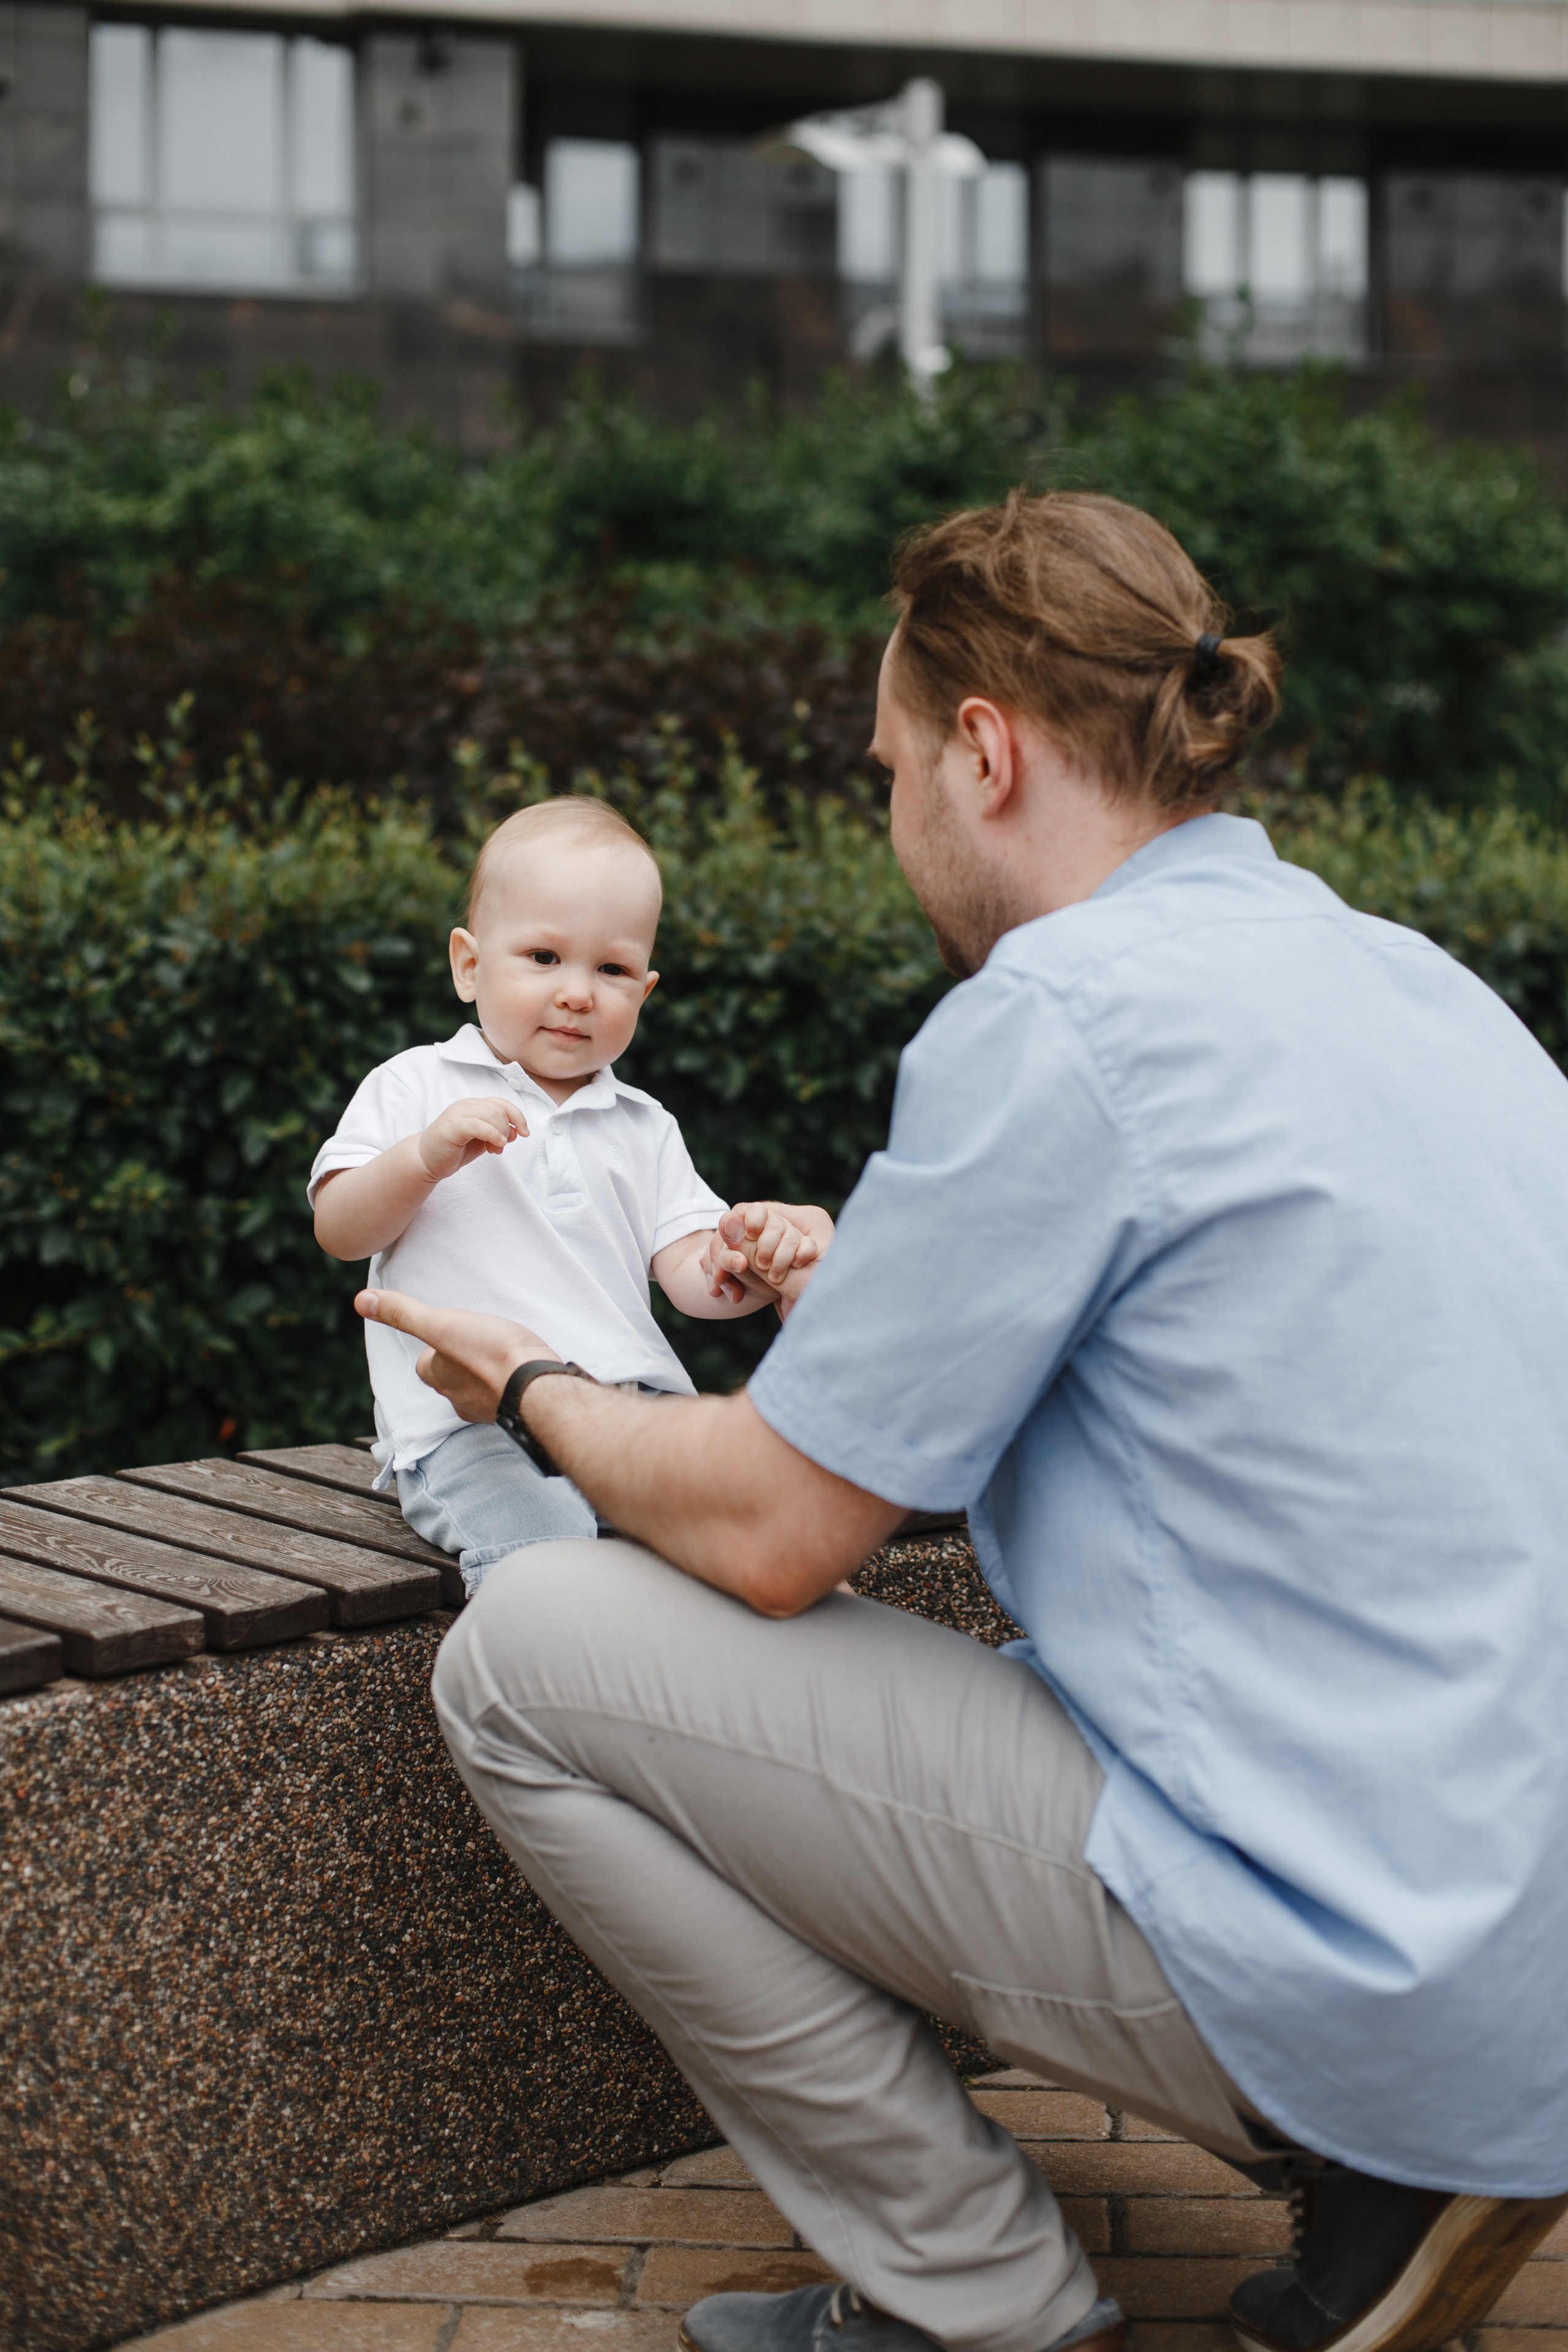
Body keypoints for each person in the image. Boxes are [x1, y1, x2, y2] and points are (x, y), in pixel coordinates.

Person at [355, 491, 1568, 2352]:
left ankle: (977, 2303)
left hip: (1359, 1953)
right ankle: (1384, 2176)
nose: (892, 816)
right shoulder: (1422, 987)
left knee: (521, 1653)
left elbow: (772, 1531)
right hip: (1515, 1906)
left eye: (889, 770)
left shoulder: (1063, 1015)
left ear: (982, 753)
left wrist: (530, 1383)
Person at [311, 794, 829, 1594]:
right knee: (548, 1557)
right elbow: (341, 1229)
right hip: (471, 1423)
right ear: (469, 966)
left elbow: (691, 1277)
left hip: (632, 1413)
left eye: (611, 970)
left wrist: (749, 1263)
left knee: (750, 1537)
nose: (580, 992)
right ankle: (550, 1661)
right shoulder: (416, 1085)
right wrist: (423, 1157)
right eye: (545, 957)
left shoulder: (643, 1123)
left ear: (643, 994)